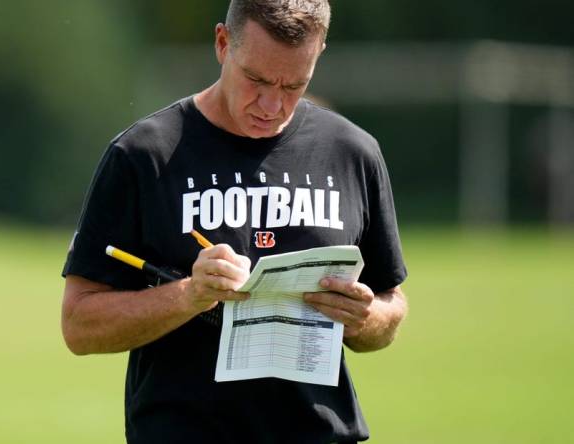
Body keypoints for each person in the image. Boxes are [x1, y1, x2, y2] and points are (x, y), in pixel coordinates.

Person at [61, 1, 408, 443]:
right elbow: (78, 324)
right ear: (223, 44)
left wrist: (364, 318)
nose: (272, 105)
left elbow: (390, 306)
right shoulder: (145, 155)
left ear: (318, 53)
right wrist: (188, 295)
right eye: (257, 80)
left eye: (294, 85)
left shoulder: (353, 152)